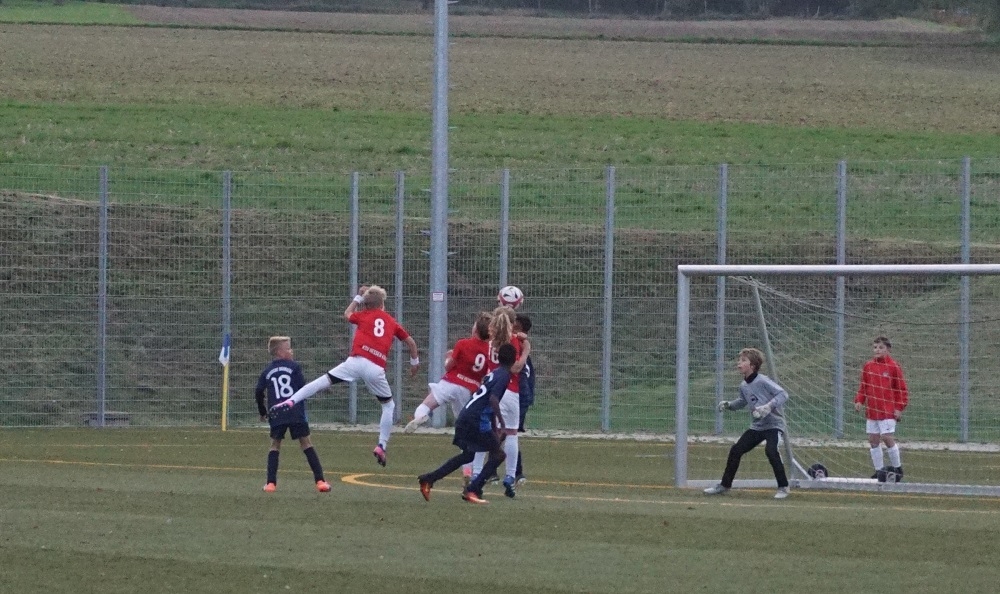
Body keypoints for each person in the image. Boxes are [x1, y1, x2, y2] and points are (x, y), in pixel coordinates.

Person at [269, 285, 420, 468]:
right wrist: (414, 363)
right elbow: (411, 343)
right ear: (382, 304)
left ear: (366, 305)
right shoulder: (391, 321)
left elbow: (347, 314)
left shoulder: (363, 315)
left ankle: (290, 401)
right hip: (375, 367)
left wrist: (358, 298)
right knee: (388, 406)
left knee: (321, 382)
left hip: (355, 361)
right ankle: (381, 445)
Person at [417, 344, 516, 505]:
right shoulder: (504, 375)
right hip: (475, 419)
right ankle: (473, 490)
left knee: (469, 455)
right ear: (514, 360)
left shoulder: (495, 373)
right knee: (499, 455)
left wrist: (494, 428)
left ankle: (429, 479)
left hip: (466, 416)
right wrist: (502, 425)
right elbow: (493, 400)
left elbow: (487, 401)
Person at [704, 347, 791, 499]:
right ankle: (724, 485)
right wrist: (729, 405)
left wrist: (768, 406)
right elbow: (742, 401)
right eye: (739, 360)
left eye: (743, 360)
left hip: (773, 425)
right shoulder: (744, 385)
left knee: (771, 451)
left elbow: (783, 394)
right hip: (757, 427)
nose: (739, 363)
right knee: (736, 450)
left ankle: (783, 487)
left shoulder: (762, 380)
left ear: (753, 365)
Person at [255, 336, 331, 493]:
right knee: (306, 443)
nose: (292, 351)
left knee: (275, 445)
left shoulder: (267, 371)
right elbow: (303, 388)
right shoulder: (294, 367)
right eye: (288, 348)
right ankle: (320, 481)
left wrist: (263, 412)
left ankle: (270, 484)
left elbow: (258, 391)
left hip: (277, 412)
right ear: (280, 352)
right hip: (295, 411)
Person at [471, 305, 530, 498]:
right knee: (511, 433)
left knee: (483, 433)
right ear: (513, 323)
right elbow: (516, 367)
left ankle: (476, 474)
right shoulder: (514, 341)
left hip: (490, 390)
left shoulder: (490, 341)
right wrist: (526, 349)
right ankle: (510, 477)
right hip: (510, 391)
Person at [404, 311, 493, 433]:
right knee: (464, 422)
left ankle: (420, 416)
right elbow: (486, 374)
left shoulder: (463, 343)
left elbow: (448, 366)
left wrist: (448, 357)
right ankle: (469, 441)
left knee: (427, 404)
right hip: (468, 389)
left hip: (450, 382)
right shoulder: (489, 351)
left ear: (476, 329)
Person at [854, 335, 909, 482]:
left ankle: (898, 468)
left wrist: (899, 407)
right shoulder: (868, 366)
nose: (877, 350)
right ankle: (879, 471)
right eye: (875, 347)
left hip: (888, 411)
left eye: (881, 347)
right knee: (873, 440)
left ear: (888, 349)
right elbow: (863, 387)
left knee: (886, 437)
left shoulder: (893, 367)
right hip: (872, 411)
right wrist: (859, 400)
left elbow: (901, 389)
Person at [513, 313, 535, 484]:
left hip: (518, 397)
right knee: (505, 434)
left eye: (514, 325)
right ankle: (516, 473)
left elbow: (525, 375)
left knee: (504, 434)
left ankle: (516, 473)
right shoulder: (514, 346)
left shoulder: (520, 350)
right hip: (513, 396)